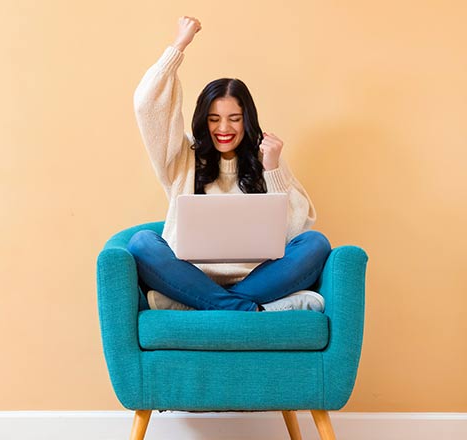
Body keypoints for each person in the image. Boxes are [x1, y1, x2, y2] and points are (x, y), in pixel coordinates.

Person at [128, 16, 331, 312]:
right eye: (214, 119)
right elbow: (146, 105)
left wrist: (272, 169)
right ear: (203, 121)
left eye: (234, 119)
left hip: (259, 280)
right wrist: (178, 46)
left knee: (316, 243)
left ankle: (202, 305)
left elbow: (295, 232)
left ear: (247, 120)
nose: (224, 128)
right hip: (189, 277)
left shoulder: (267, 158)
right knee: (142, 243)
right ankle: (250, 310)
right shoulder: (182, 157)